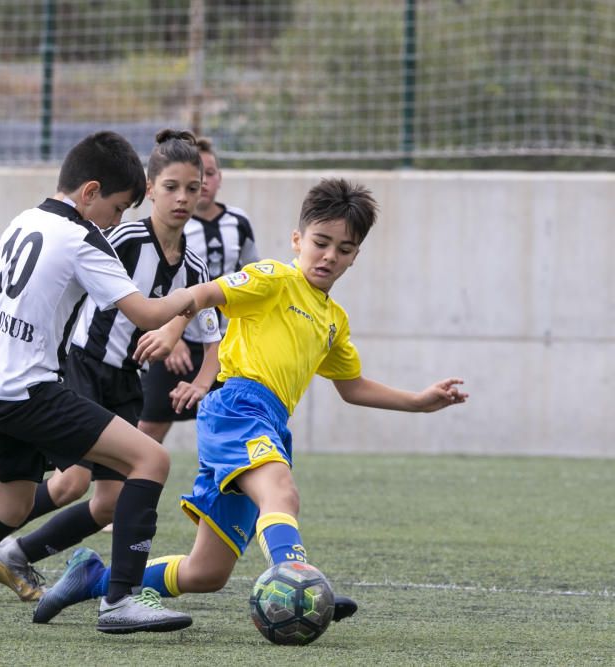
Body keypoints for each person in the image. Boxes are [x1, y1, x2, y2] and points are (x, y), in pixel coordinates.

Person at [31, 177, 469, 628]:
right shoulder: (274, 278)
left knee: (207, 572)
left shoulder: (334, 321)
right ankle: (299, 577)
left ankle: (93, 579)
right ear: (298, 240)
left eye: (343, 248)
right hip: (237, 407)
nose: (329, 256)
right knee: (281, 493)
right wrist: (170, 326)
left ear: (355, 256)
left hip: (270, 420)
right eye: (320, 243)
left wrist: (418, 401)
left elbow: (351, 386)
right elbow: (204, 293)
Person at [0, 131, 196, 637]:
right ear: (90, 192)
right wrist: (207, 294)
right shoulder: (82, 237)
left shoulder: (23, 220)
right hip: (30, 391)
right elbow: (145, 313)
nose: (116, 221)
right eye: (118, 208)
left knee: (10, 507)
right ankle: (121, 602)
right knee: (152, 459)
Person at [0, 130, 221, 604]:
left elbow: (212, 334)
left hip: (126, 382)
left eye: (194, 187)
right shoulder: (121, 236)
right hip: (83, 367)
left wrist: (197, 375)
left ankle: (14, 553)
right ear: (149, 189)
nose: (183, 198)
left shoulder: (193, 265)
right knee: (73, 480)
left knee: (107, 502)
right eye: (171, 187)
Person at [138, 136, 259, 443]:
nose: (196, 189)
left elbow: (251, 276)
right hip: (178, 341)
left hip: (220, 342)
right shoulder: (167, 226)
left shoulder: (238, 222)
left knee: (229, 429)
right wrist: (172, 334)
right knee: (147, 431)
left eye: (208, 174)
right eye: (174, 186)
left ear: (214, 179)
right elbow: (153, 287)